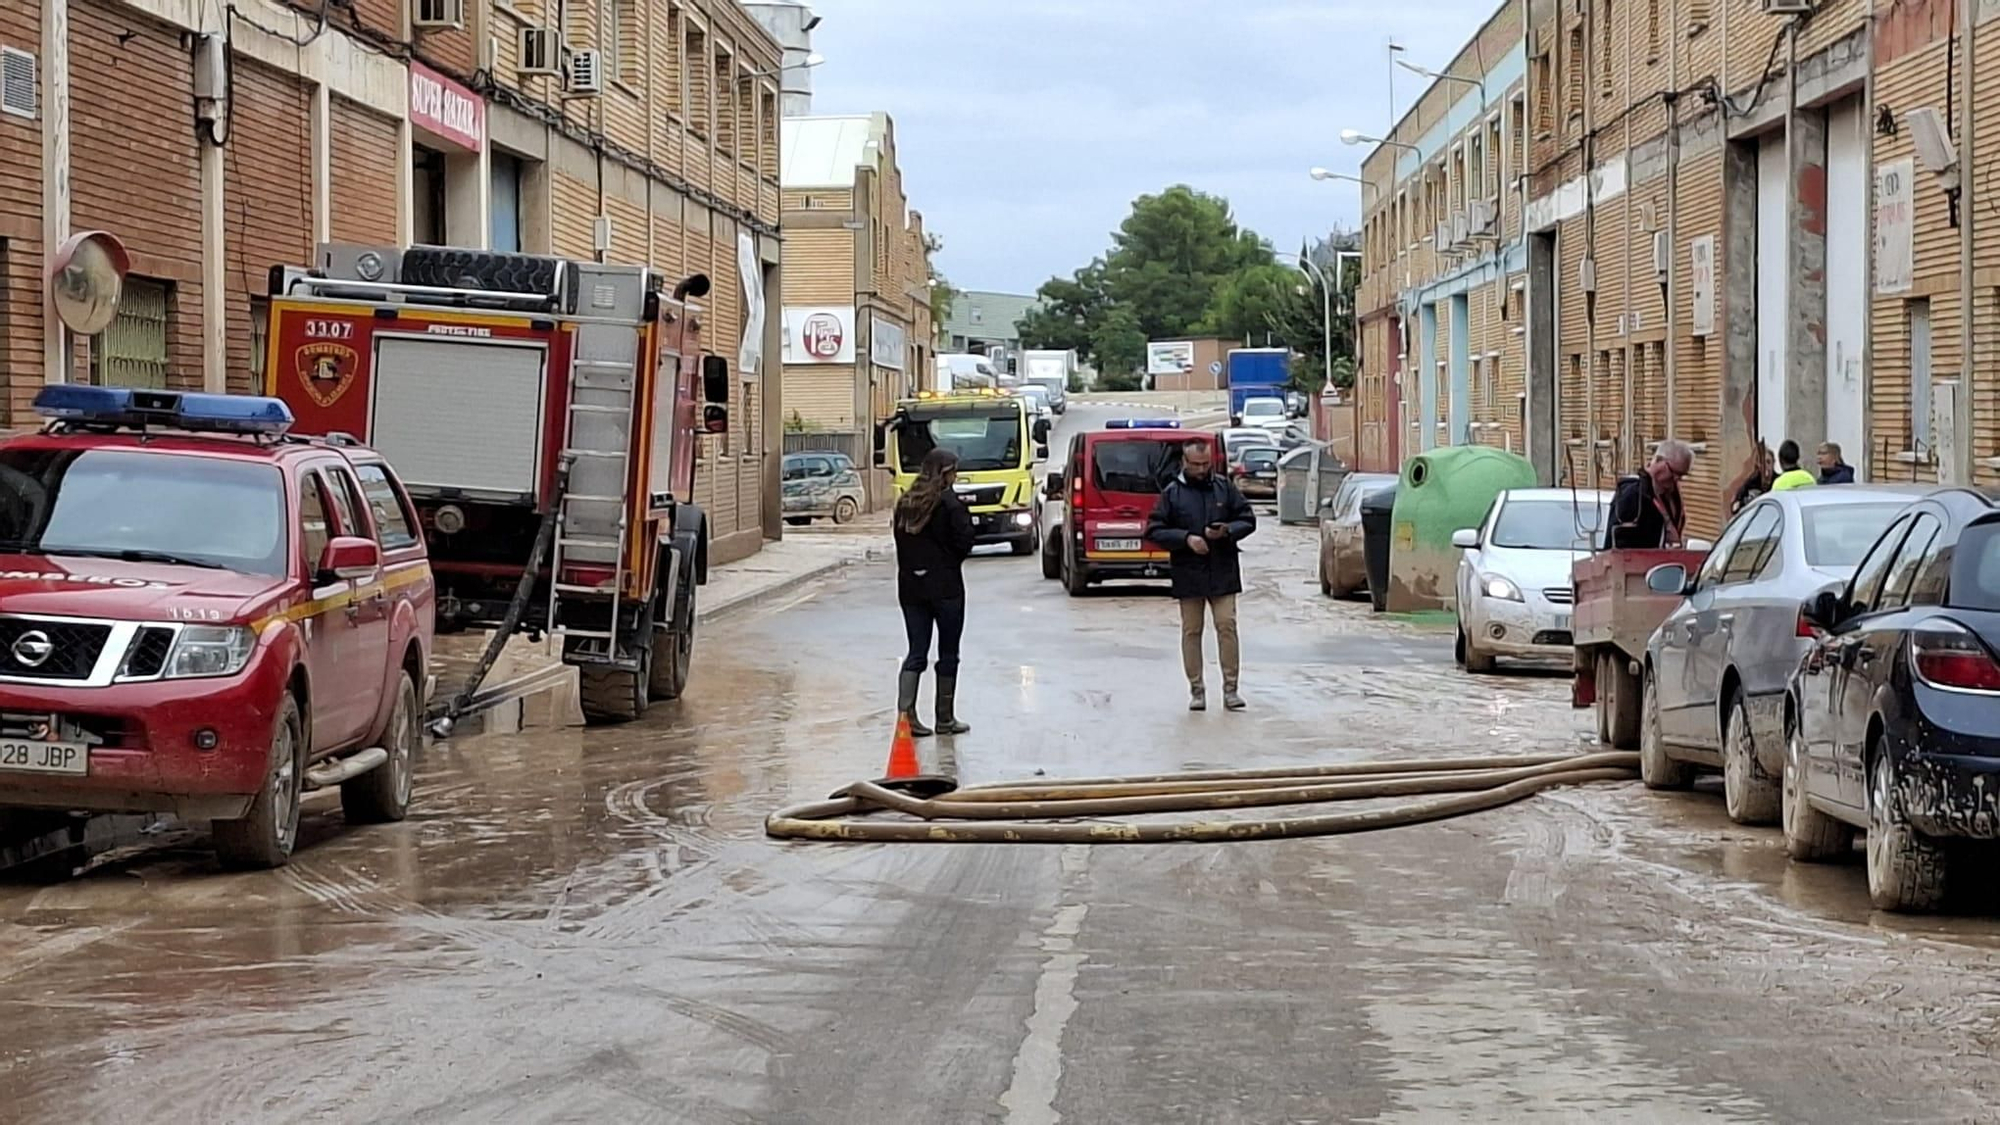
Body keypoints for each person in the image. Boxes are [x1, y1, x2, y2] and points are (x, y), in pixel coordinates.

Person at [1146, 439, 1257, 712]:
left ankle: (1231, 689)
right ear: (1184, 462)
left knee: (1227, 626)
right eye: (1196, 465)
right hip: (1189, 573)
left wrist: (1227, 531)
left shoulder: (1224, 488)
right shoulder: (1172, 493)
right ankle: (1197, 690)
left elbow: (1248, 519)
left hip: (1223, 570)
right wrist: (1186, 539)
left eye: (1205, 464)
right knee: (1191, 631)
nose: (1201, 469)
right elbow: (1154, 529)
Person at [893, 447, 976, 737]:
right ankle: (945, 718)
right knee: (948, 652)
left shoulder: (905, 502)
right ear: (946, 474)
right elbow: (965, 541)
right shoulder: (950, 505)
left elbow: (899, 543)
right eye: (954, 470)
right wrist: (948, 562)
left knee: (916, 650)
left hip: (911, 587)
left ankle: (907, 717)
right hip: (946, 588)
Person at [1605, 439, 1692, 549]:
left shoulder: (1671, 496)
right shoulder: (1632, 495)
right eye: (1673, 472)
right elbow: (1617, 544)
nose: (1676, 479)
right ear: (1658, 460)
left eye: (1681, 475)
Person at [1731, 445, 1776, 514]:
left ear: (1773, 463)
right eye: (1763, 463)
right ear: (1759, 465)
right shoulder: (1752, 482)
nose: (1766, 466)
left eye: (1768, 462)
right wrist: (1746, 502)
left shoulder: (1779, 480)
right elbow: (1734, 507)